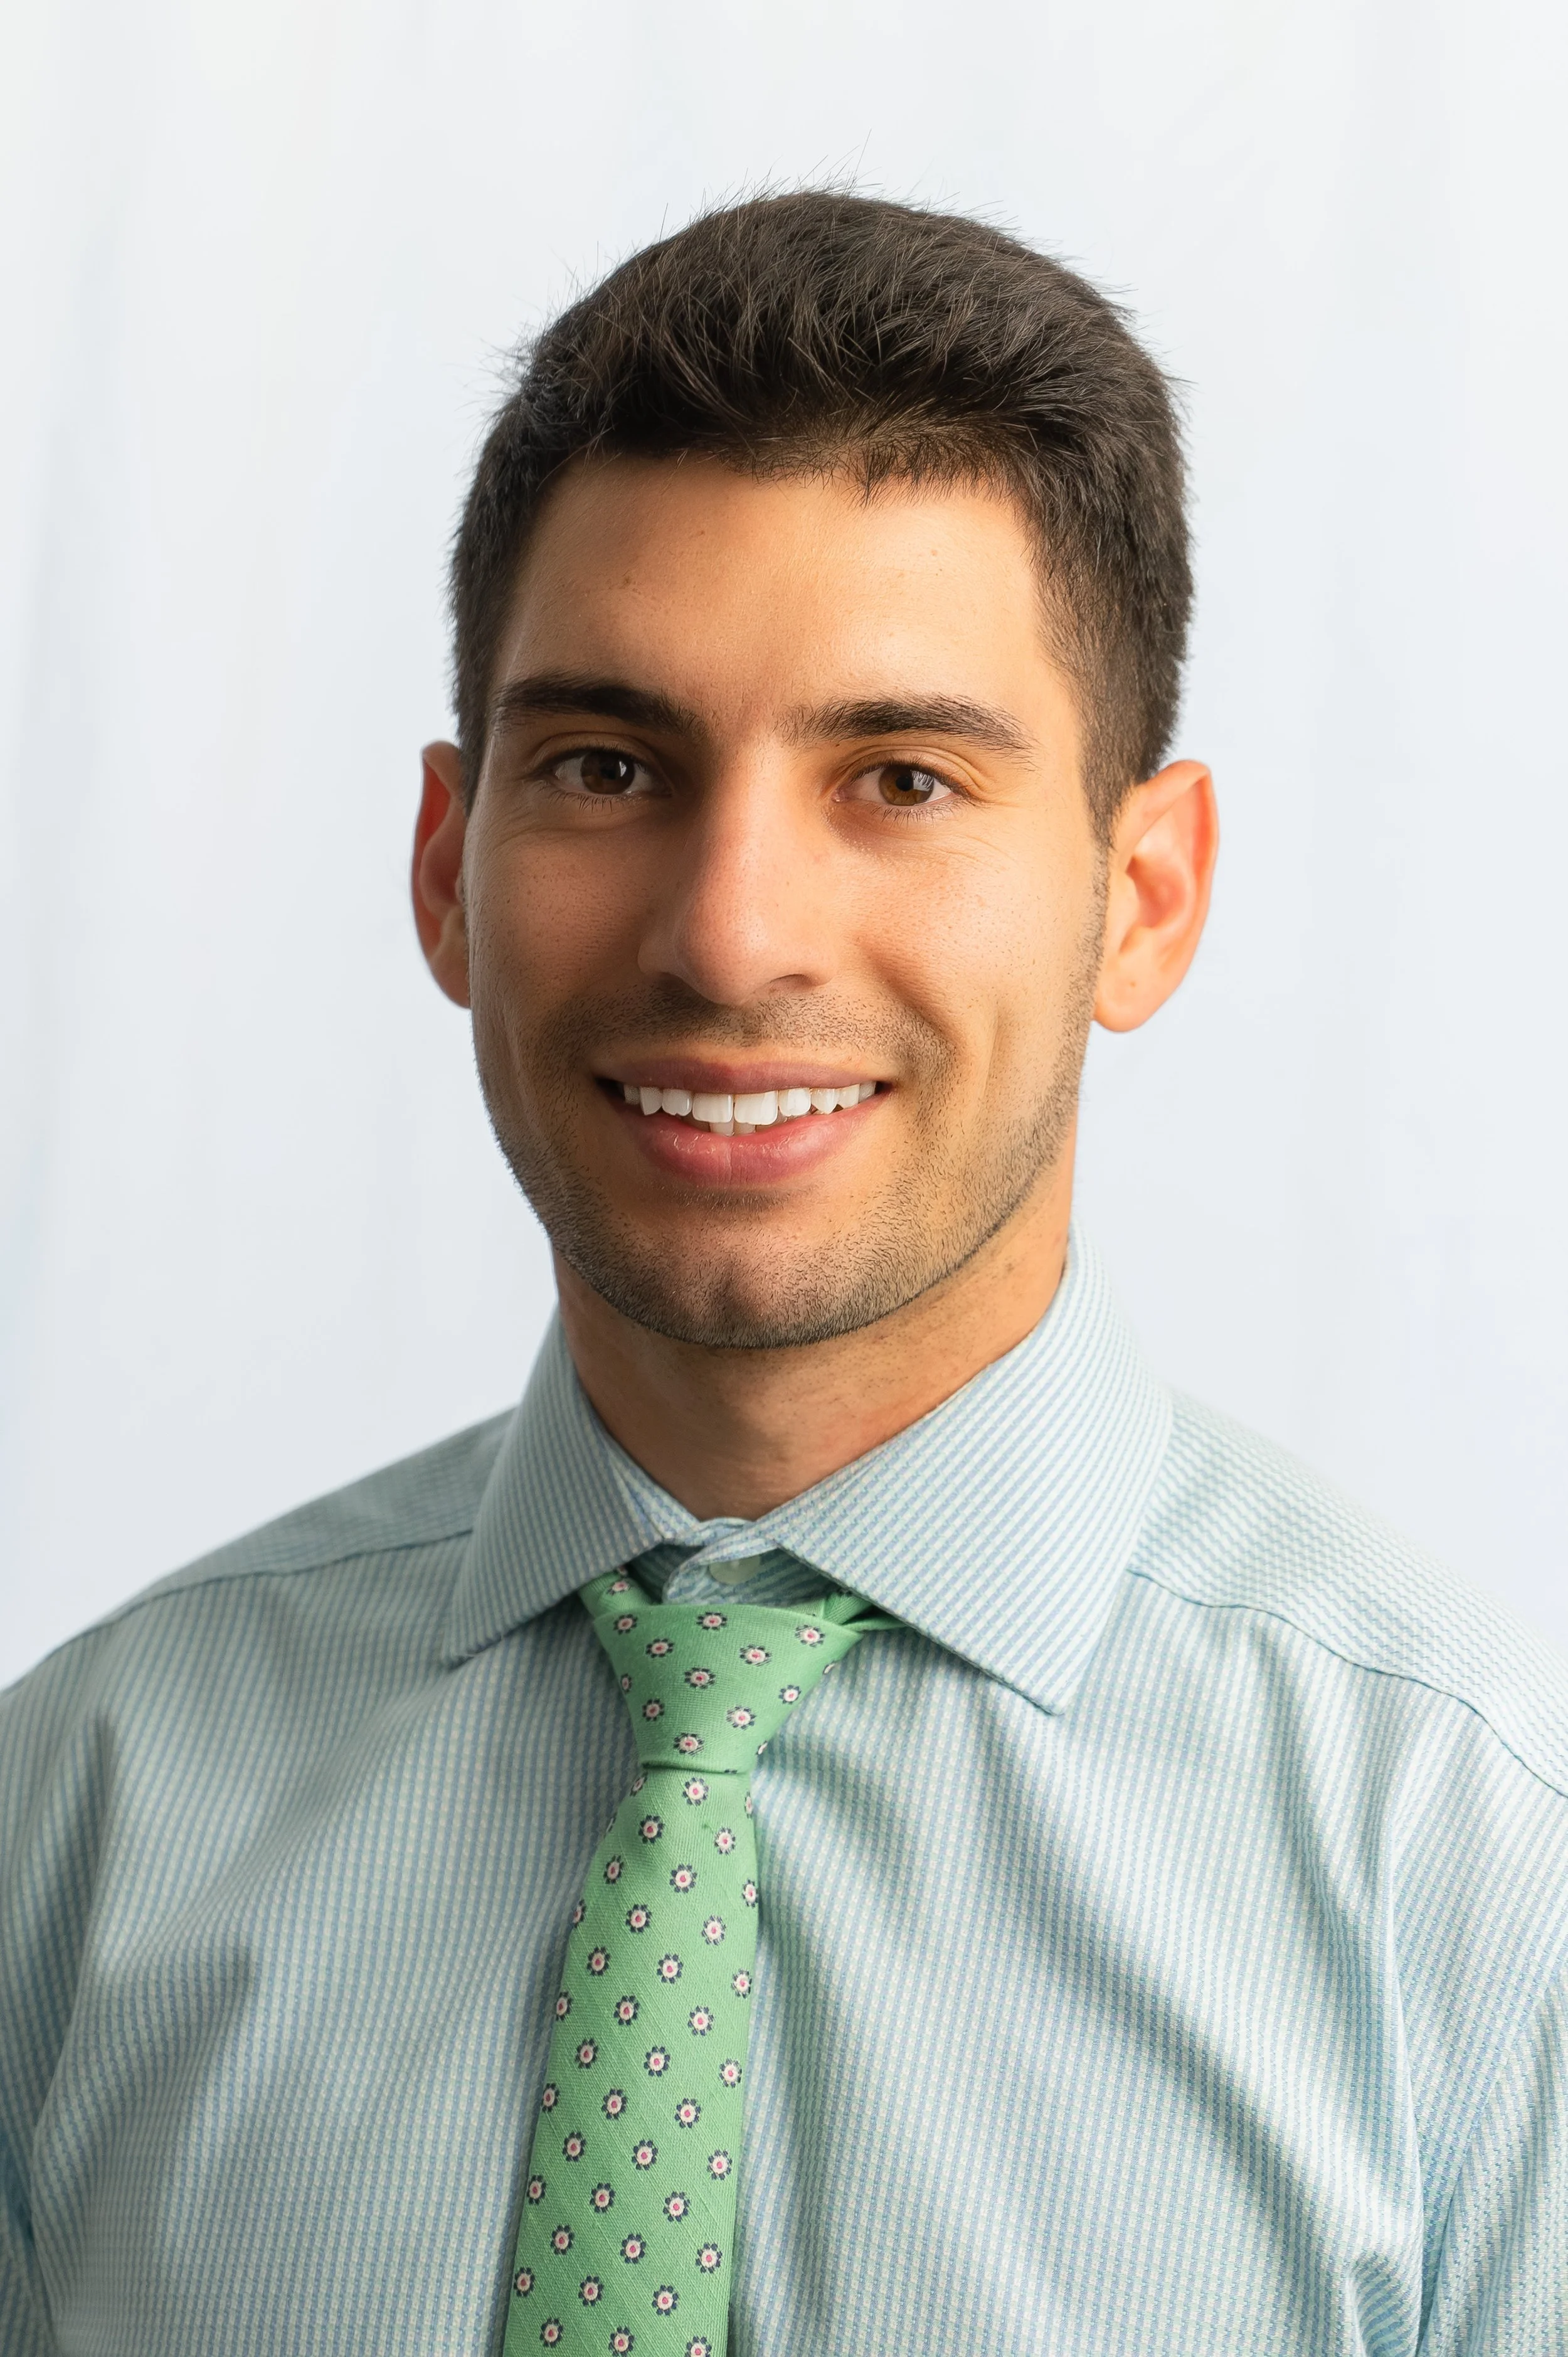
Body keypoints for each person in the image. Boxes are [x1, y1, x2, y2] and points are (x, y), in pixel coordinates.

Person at [2, 192, 1564, 2357]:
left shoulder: (1478, 1872)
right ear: (449, 867)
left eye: (900, 777)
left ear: (1140, 895)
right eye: (607, 768)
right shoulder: (74, 1819)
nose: (731, 935)